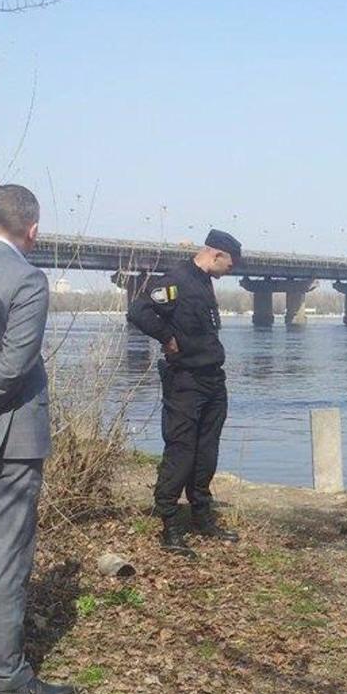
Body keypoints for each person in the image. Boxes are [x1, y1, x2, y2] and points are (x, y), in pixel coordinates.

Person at [0, 184, 75, 694]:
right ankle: (5, 675)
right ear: (33, 230)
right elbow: (12, 369)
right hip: (10, 439)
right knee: (5, 553)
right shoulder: (25, 278)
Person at [127, 230, 243, 558]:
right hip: (185, 381)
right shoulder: (175, 280)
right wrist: (166, 337)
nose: (229, 272)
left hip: (212, 379)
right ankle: (170, 526)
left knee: (207, 451)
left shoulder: (204, 282)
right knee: (181, 450)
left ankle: (201, 516)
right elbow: (138, 312)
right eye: (229, 266)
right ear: (216, 255)